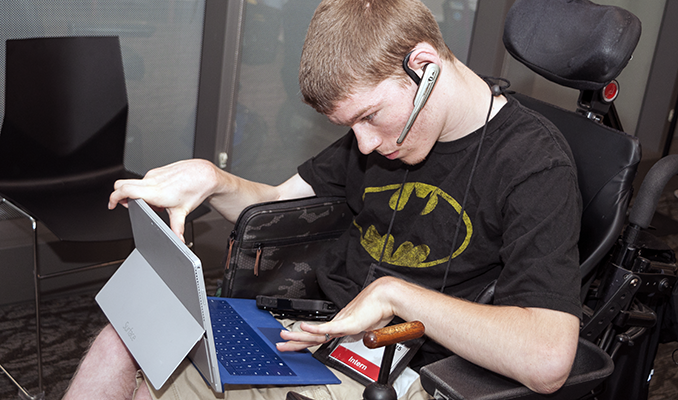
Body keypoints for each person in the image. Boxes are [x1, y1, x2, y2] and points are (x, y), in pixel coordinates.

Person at [63, 0, 582, 399]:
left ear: (423, 65)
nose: (365, 145)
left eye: (369, 116)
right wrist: (213, 179)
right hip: (306, 328)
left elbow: (548, 358)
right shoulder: (382, 134)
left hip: (393, 364)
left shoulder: (533, 163)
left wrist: (394, 295)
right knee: (120, 338)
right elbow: (276, 205)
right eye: (350, 124)